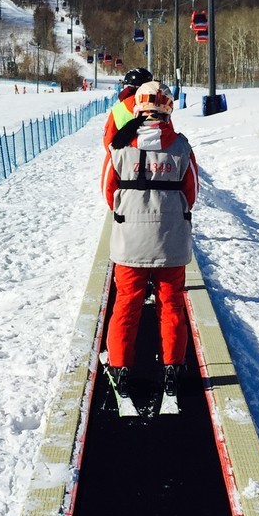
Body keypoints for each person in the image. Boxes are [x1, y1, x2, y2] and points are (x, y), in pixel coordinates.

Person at [100, 81, 198, 401]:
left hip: (130, 242)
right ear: (168, 107)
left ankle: (121, 368)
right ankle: (172, 368)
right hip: (171, 243)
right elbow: (191, 194)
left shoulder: (119, 145)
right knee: (171, 306)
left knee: (126, 304)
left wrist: (130, 212)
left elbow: (108, 192)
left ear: (137, 108)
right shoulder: (181, 147)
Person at [103, 67, 152, 148]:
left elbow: (108, 140)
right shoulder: (159, 107)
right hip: (156, 157)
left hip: (125, 156)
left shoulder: (118, 110)